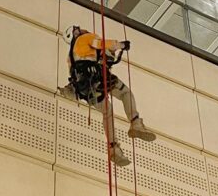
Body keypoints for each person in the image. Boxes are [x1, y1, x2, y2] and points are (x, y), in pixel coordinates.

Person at [63, 25, 156, 167]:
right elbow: (101, 44)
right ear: (75, 32)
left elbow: (102, 56)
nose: (82, 29)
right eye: (78, 28)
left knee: (107, 112)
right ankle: (135, 122)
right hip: (99, 78)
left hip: (86, 91)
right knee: (126, 93)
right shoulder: (84, 38)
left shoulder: (71, 58)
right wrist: (120, 45)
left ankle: (114, 149)